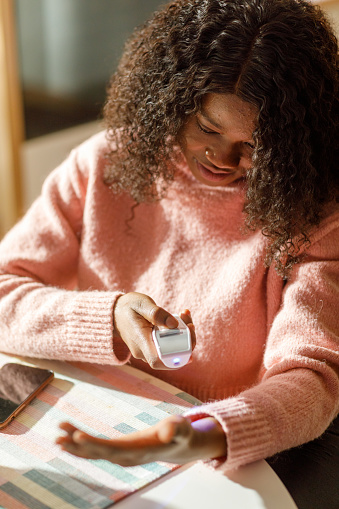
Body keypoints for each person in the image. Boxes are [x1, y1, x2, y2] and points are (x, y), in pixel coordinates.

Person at [0, 0, 338, 506]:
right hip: (94, 417)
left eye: (256, 143)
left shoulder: (314, 214)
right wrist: (110, 316)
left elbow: (311, 380)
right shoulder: (105, 163)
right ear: (173, 98)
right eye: (207, 127)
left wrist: (204, 433)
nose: (223, 160)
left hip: (222, 454)